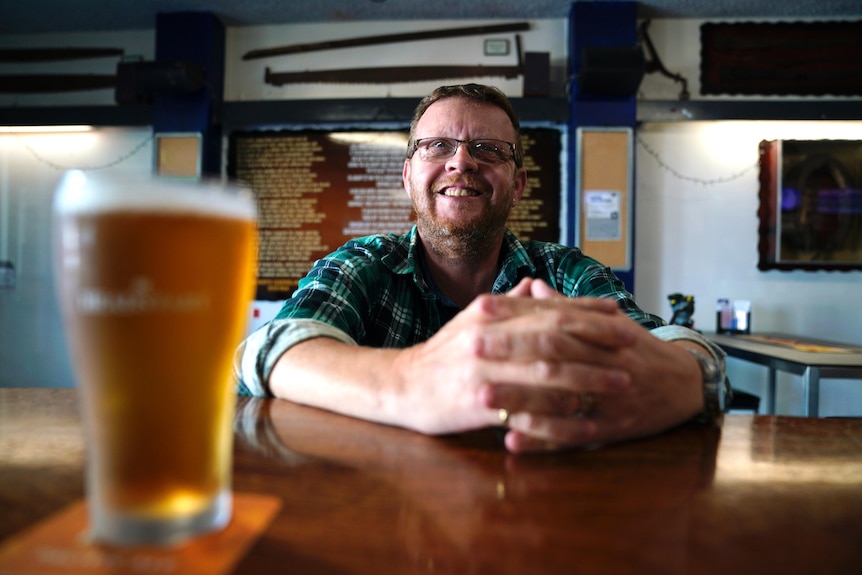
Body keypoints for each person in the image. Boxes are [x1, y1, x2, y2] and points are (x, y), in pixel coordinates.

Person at [235, 83, 730, 453]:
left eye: (489, 150)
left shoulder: (564, 273)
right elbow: (272, 348)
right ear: (408, 177)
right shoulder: (363, 265)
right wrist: (409, 382)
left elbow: (673, 349)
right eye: (438, 146)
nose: (461, 163)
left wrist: (695, 379)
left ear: (518, 186)